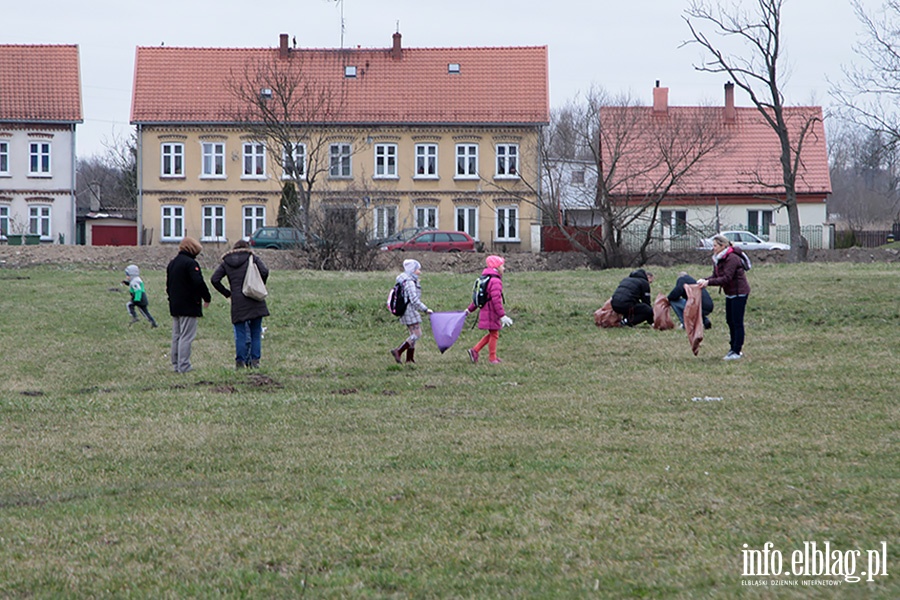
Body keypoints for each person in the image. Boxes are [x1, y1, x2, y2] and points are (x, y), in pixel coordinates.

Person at [211, 240, 270, 369]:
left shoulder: (226, 262)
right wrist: (259, 284)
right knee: (255, 333)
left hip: (237, 301)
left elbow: (214, 279)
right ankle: (255, 362)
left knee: (240, 334)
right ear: (247, 247)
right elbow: (265, 271)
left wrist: (228, 293)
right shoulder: (252, 258)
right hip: (254, 298)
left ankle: (240, 362)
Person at [698, 234, 751, 360]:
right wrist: (704, 280)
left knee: (737, 322)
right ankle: (732, 348)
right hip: (730, 293)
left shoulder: (732, 258)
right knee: (730, 321)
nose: (713, 248)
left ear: (723, 246)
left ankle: (736, 351)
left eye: (715, 246)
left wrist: (708, 283)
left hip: (739, 293)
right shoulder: (718, 259)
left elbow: (726, 278)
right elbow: (715, 276)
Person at [166, 237, 211, 373]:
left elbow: (169, 285)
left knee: (177, 335)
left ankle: (175, 364)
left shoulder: (172, 263)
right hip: (189, 304)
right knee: (186, 336)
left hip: (175, 304)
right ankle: (184, 366)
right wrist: (206, 297)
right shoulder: (191, 264)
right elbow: (198, 282)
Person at [466, 255, 513, 364]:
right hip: (491, 312)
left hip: (485, 311)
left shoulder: (485, 278)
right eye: (502, 266)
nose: (504, 268)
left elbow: (478, 298)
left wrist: (469, 310)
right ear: (496, 268)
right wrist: (502, 315)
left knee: (493, 333)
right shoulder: (495, 281)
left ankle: (475, 350)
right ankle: (491, 358)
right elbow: (496, 300)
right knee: (494, 334)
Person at [390, 259, 432, 364]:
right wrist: (425, 309)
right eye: (418, 269)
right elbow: (414, 299)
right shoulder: (409, 282)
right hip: (409, 310)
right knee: (417, 334)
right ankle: (398, 351)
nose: (419, 271)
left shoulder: (406, 280)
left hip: (407, 310)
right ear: (412, 270)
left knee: (413, 334)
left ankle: (409, 359)